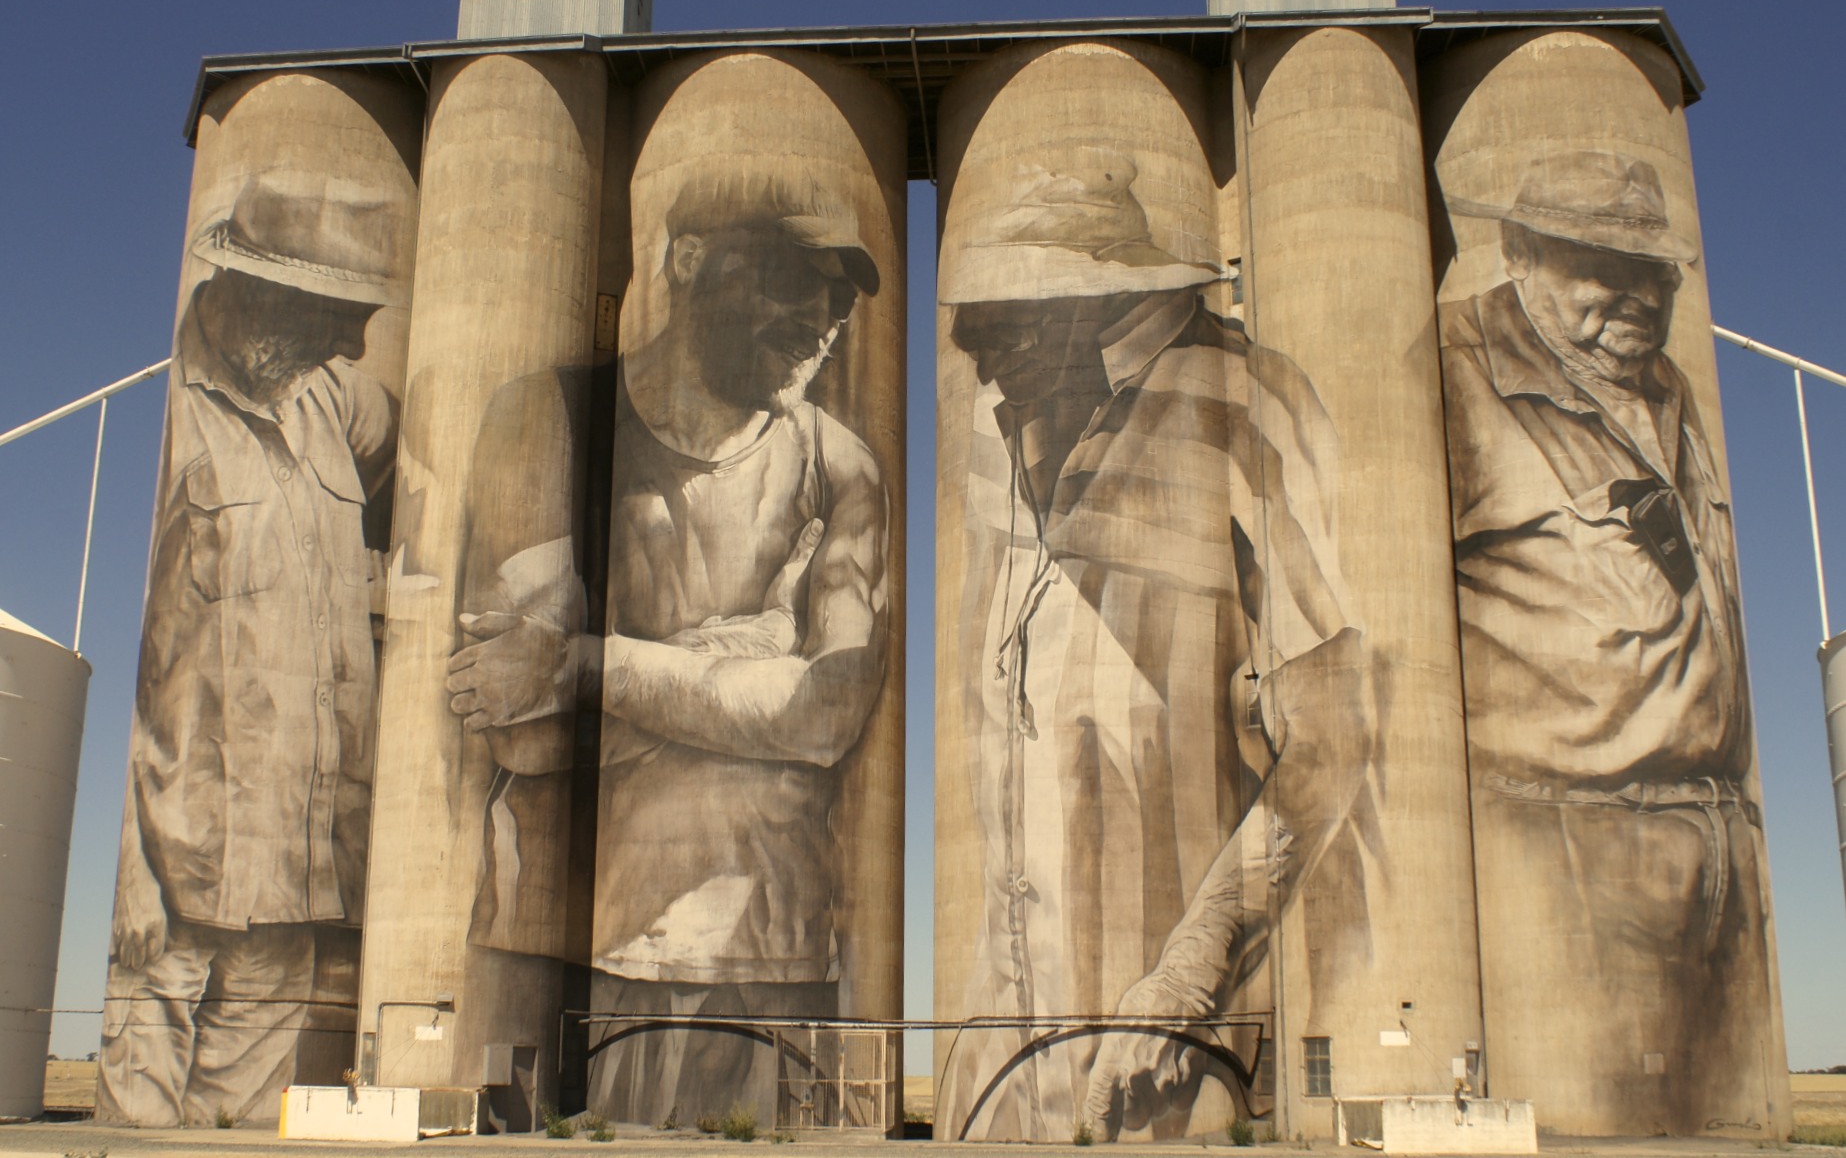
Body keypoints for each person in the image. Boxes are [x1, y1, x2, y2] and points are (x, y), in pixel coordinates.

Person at [937, 149, 1374, 1142]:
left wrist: (1187, 978)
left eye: (1005, 321)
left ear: (1100, 300)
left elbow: (1335, 733)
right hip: (1003, 1057)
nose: (977, 352)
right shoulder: (1003, 435)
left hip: (1168, 1057)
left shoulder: (1244, 402)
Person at [444, 173, 890, 1125]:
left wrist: (583, 666)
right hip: (567, 951)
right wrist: (759, 645)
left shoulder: (839, 464)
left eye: (839, 298)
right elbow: (524, 736)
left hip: (775, 954)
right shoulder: (552, 418)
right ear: (689, 260)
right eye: (792, 277)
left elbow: (825, 714)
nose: (822, 320)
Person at [1440, 149, 1773, 1132]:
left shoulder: (1668, 389)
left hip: (1721, 846)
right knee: (1588, 1131)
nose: (1638, 294)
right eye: (1601, 266)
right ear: (1519, 252)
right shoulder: (1451, 372)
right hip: (1569, 853)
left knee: (1718, 1135)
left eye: (1654, 271)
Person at [98, 175, 402, 1126]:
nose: (355, 344)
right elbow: (154, 669)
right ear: (268, 295)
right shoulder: (184, 424)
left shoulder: (328, 400)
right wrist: (134, 875)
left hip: (304, 863)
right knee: (138, 1125)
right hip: (183, 868)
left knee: (247, 1130)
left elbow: (408, 433)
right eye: (339, 317)